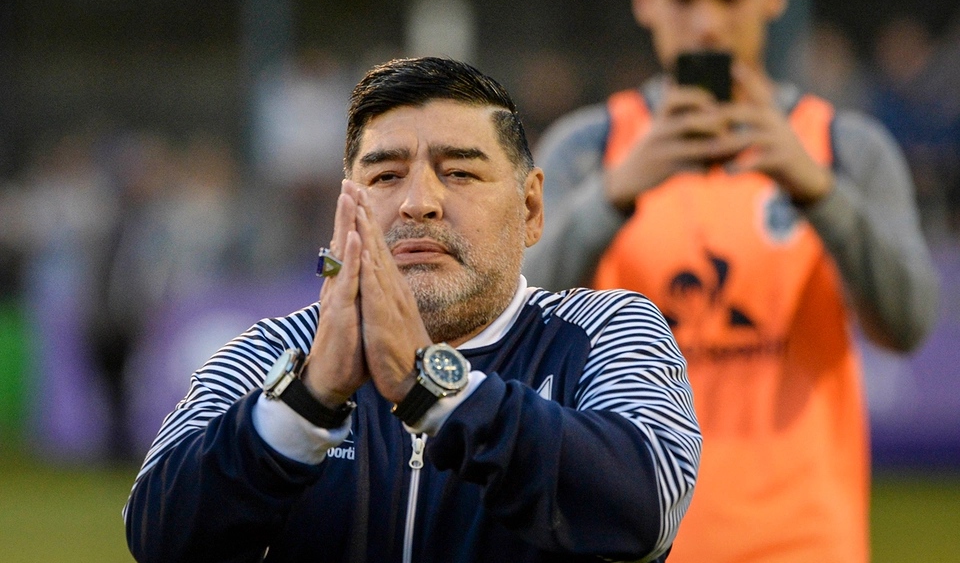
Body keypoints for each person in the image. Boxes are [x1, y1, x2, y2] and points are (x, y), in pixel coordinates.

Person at [123, 56, 702, 563]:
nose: (419, 203)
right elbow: (158, 538)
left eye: (460, 173)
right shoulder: (273, 351)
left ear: (529, 208)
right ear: (347, 209)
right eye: (386, 176)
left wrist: (434, 390)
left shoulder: (606, 330)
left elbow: (648, 505)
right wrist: (309, 401)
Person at [523, 0, 940, 562]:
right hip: (636, 537)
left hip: (804, 540)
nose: (707, 25)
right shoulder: (588, 150)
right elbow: (520, 331)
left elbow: (908, 325)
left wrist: (817, 191)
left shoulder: (844, 148)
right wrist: (613, 196)